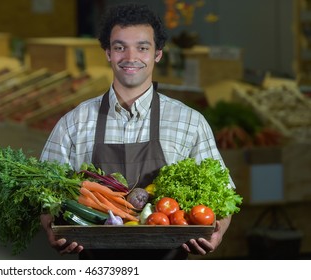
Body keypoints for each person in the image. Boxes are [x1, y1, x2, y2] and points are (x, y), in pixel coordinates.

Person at [39, 3, 234, 259]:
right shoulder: (74, 122)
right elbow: (44, 192)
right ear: (108, 53)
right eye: (120, 47)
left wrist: (218, 233)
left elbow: (224, 194)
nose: (130, 57)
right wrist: (50, 228)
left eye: (142, 47)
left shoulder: (189, 122)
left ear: (158, 54)